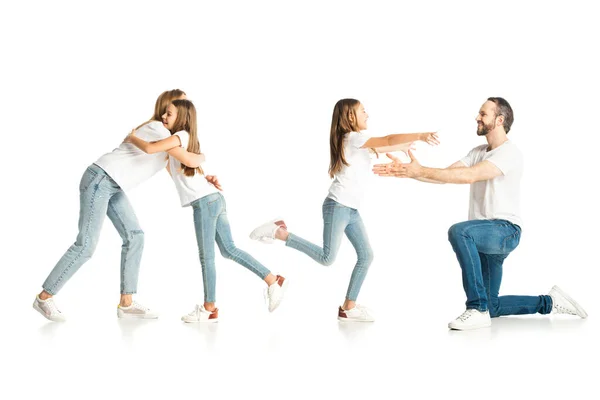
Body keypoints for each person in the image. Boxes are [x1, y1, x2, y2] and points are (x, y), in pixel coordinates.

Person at [373, 97, 588, 330]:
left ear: (500, 120)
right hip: (483, 236)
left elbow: (470, 176)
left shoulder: (510, 153)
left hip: (504, 231)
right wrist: (410, 172)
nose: (477, 117)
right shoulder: (478, 151)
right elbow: (447, 175)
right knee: (492, 306)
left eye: (483, 114)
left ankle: (476, 308)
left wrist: (420, 170)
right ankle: (550, 302)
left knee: (459, 232)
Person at [250, 98, 439, 321]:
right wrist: (419, 135)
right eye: (363, 111)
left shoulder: (356, 141)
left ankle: (348, 308)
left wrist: (403, 147)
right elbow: (386, 139)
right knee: (327, 258)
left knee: (366, 255)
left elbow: (385, 144)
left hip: (351, 210)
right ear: (350, 117)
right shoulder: (353, 138)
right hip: (337, 206)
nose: (367, 115)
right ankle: (278, 232)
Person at [33, 89, 210, 322]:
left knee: (135, 236)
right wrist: (201, 157)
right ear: (167, 107)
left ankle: (126, 304)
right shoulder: (157, 129)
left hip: (113, 185)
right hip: (101, 178)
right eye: (177, 104)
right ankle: (44, 297)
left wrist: (206, 179)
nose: (182, 108)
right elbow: (188, 158)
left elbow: (181, 171)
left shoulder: (167, 142)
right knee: (86, 245)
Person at [126, 99, 288, 323]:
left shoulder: (178, 137)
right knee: (229, 250)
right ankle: (273, 280)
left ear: (181, 118)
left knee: (207, 257)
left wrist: (132, 136)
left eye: (169, 114)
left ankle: (209, 308)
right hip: (211, 198)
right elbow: (175, 168)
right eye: (164, 113)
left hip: (205, 202)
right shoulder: (179, 141)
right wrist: (203, 174)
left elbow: (151, 147)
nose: (164, 117)